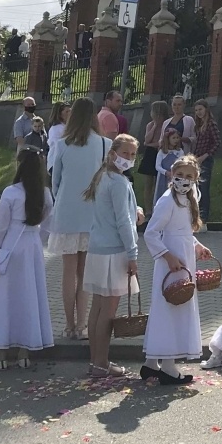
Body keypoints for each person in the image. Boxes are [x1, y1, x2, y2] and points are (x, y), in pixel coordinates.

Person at [141, 154, 212, 385]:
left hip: (183, 258)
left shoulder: (191, 197)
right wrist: (168, 256)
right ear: (172, 175)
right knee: (170, 306)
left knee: (175, 305)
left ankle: (151, 363)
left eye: (189, 177)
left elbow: (184, 232)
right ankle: (169, 366)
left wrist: (197, 245)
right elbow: (151, 232)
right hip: (171, 261)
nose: (183, 180)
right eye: (179, 175)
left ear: (196, 179)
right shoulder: (167, 200)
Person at [48, 97, 113, 341]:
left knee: (68, 270)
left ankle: (69, 324)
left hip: (66, 211)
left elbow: (55, 181)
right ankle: (83, 324)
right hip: (92, 213)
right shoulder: (106, 144)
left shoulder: (62, 144)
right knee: (84, 272)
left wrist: (62, 200)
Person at [0, 145, 54, 369]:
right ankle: (25, 351)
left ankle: (1, 355)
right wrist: (39, 240)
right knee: (30, 296)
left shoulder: (11, 192)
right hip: (32, 245)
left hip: (13, 244)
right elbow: (47, 224)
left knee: (6, 298)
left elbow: (0, 225)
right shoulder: (44, 193)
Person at [83, 133, 141, 377]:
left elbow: (118, 213)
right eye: (125, 153)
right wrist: (133, 253)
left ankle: (96, 361)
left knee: (97, 309)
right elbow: (123, 222)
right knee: (107, 312)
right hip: (114, 252)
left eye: (133, 154)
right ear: (113, 153)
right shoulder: (118, 182)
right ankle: (101, 363)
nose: (129, 158)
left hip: (97, 250)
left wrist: (134, 209)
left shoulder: (103, 177)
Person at [191, 100, 220, 232]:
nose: (199, 113)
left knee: (204, 188)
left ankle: (204, 219)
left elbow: (217, 142)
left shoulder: (211, 124)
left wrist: (206, 155)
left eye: (201, 109)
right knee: (196, 189)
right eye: (196, 110)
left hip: (205, 160)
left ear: (206, 109)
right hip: (197, 159)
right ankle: (196, 218)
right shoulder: (198, 125)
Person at [138, 101, 170, 216]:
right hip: (150, 154)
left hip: (161, 153)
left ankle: (159, 205)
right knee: (148, 183)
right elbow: (147, 140)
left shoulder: (166, 125)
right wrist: (155, 125)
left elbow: (161, 143)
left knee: (159, 181)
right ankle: (148, 209)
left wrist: (152, 144)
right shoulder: (150, 125)